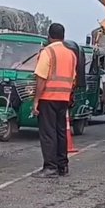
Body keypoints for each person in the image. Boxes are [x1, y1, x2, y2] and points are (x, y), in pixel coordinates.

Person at [31, 23, 77, 178]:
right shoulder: (71, 54)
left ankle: (50, 167)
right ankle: (62, 166)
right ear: (63, 36)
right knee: (61, 132)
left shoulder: (48, 52)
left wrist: (36, 100)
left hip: (48, 98)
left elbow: (41, 78)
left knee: (48, 133)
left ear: (49, 36)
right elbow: (74, 78)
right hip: (64, 98)